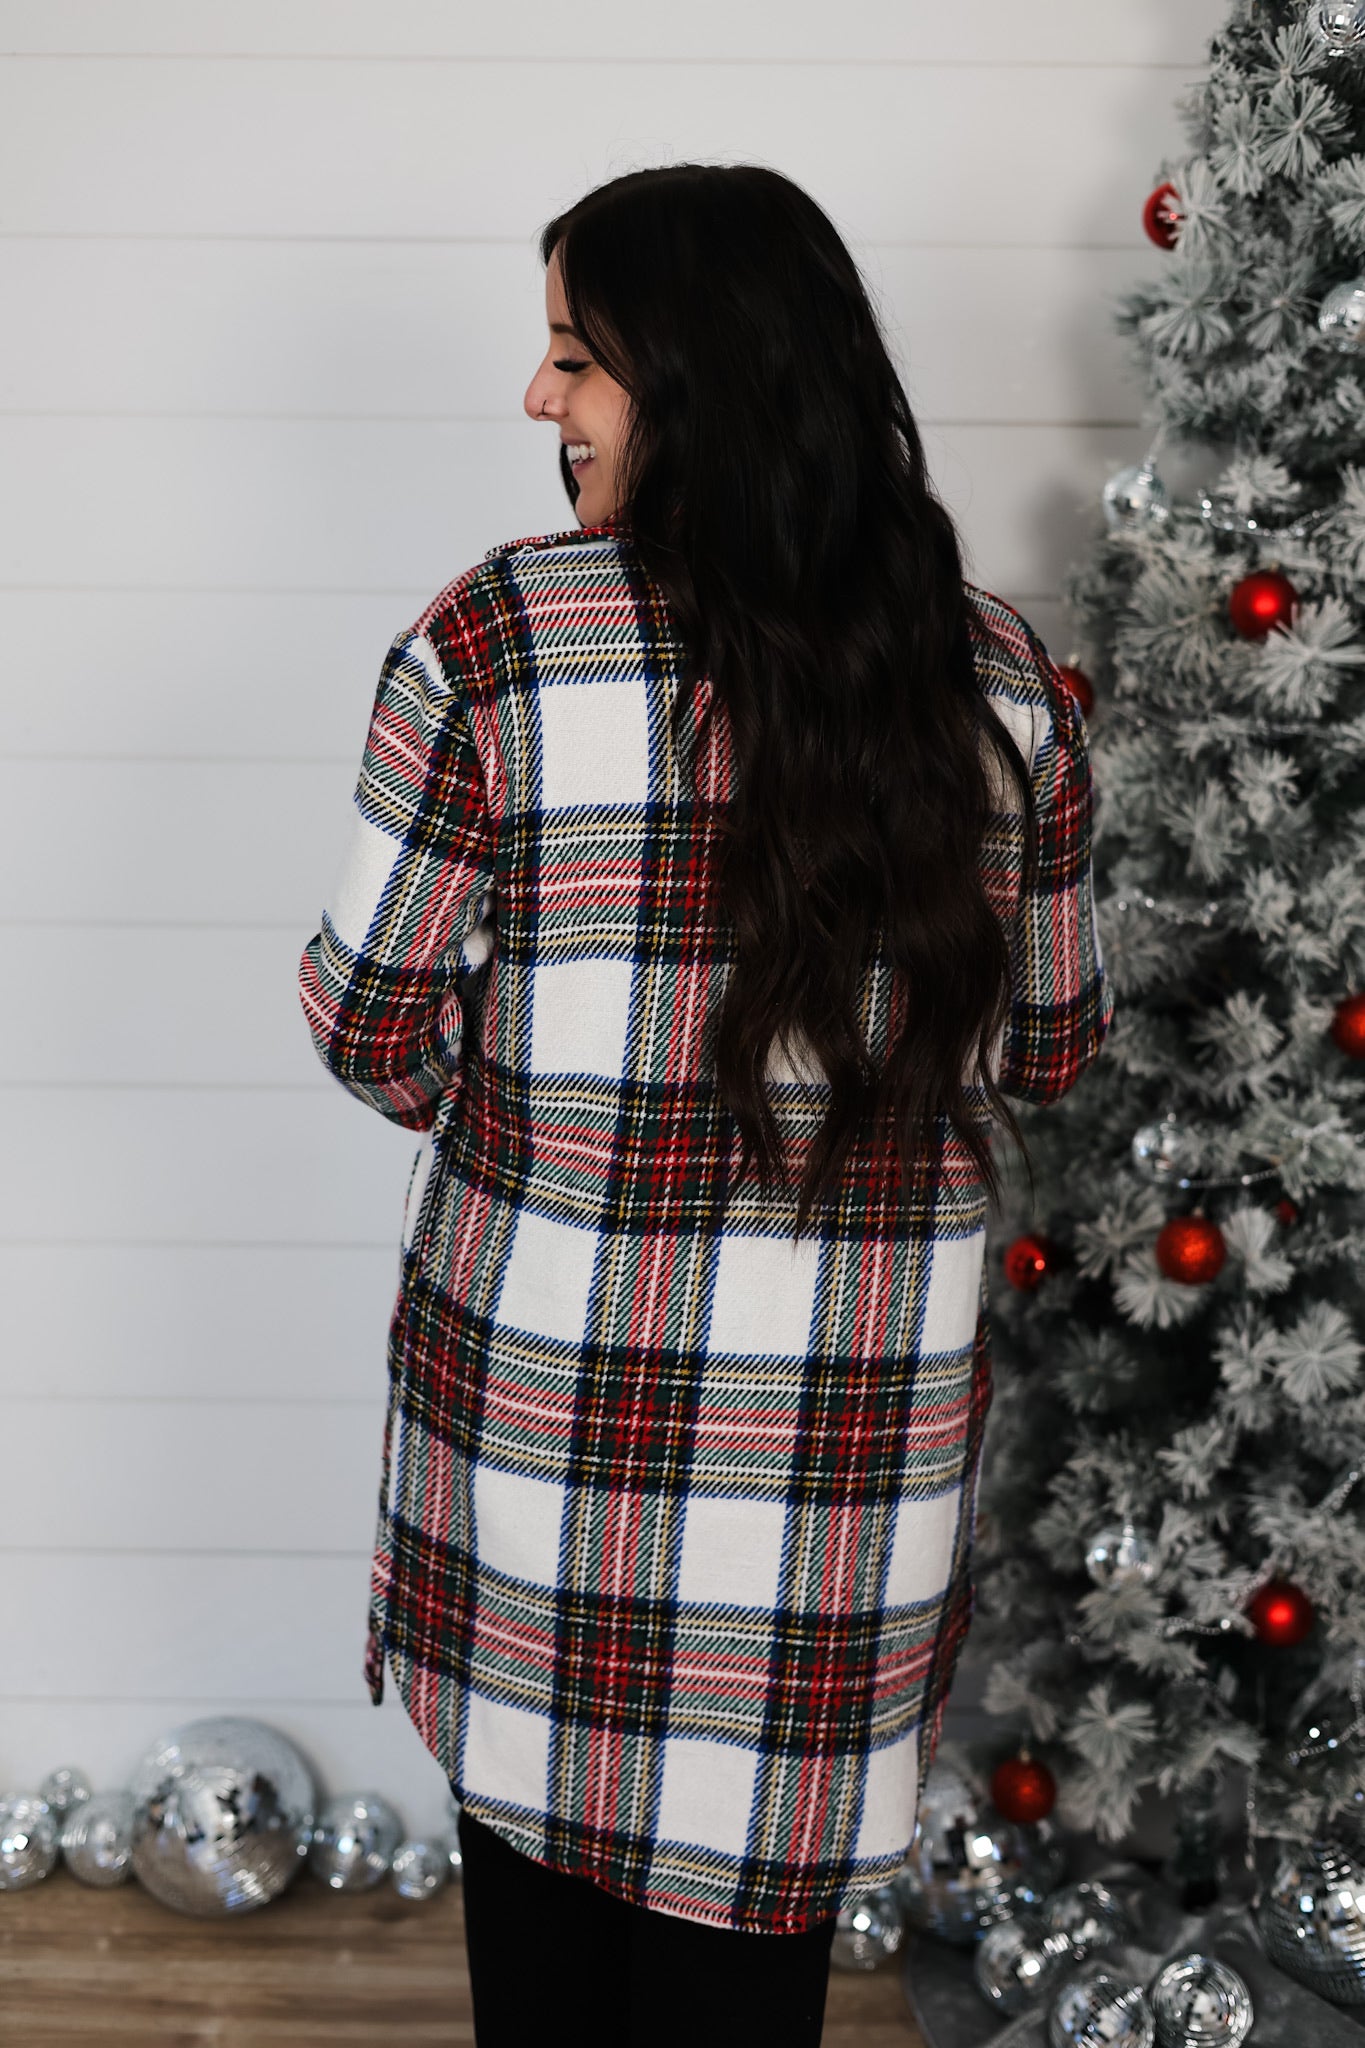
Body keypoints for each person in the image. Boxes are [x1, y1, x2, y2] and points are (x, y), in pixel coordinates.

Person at [298, 162, 1114, 2046]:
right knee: (744, 1991)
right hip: (834, 1469)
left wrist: (553, 1113)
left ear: (695, 378)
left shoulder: (500, 644)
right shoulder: (997, 680)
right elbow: (1052, 1049)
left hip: (548, 1432)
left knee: (544, 1965)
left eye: (573, 357)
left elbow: (368, 1023)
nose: (539, 397)